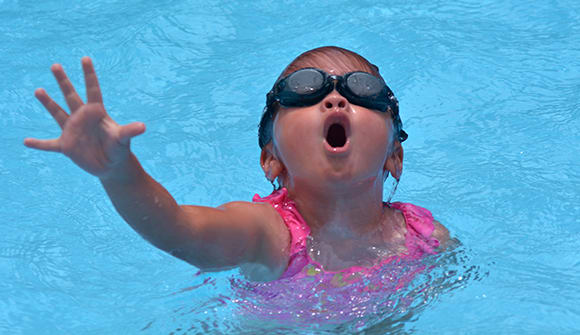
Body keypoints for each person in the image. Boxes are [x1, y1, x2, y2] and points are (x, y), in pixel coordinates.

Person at [24, 46, 450, 283]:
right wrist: (119, 172)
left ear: (395, 154)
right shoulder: (267, 233)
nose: (336, 99)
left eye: (364, 92)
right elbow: (180, 230)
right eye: (303, 92)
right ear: (271, 159)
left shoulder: (423, 236)